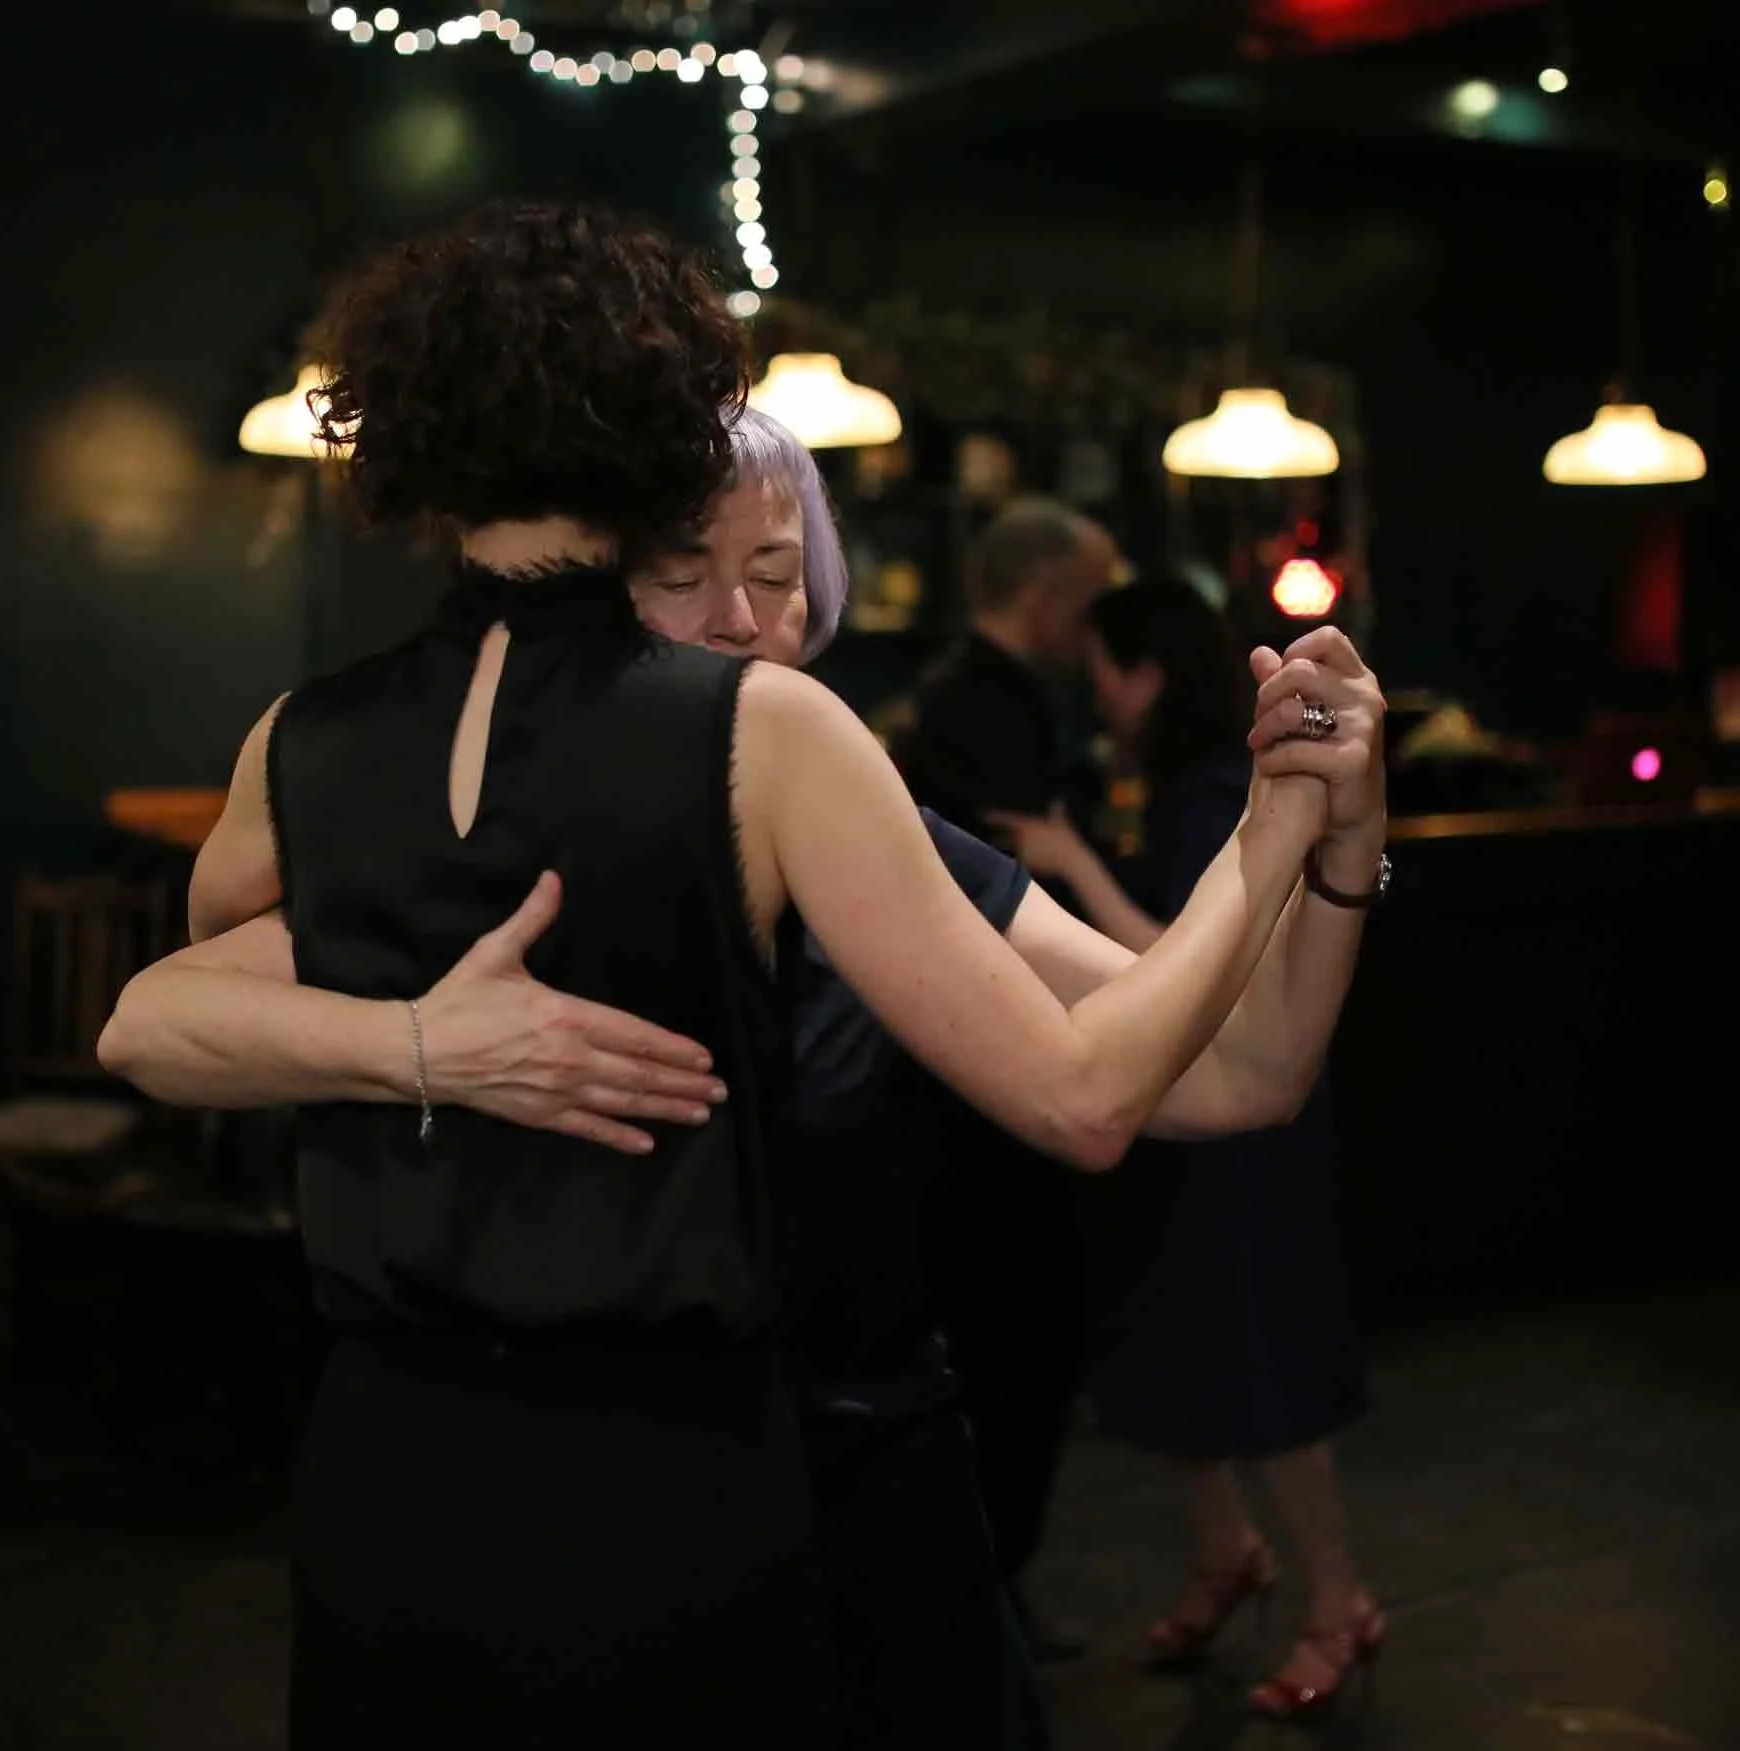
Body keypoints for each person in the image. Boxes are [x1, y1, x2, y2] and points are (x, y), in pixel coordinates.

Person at [102, 197, 1379, 1746]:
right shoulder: (754, 737)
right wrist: (1269, 829)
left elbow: (184, 988)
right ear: (653, 431)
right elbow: (1093, 1097)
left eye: (776, 570)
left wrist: (402, 1036)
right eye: (702, 563)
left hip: (395, 1474)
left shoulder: (305, 739)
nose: (747, 614)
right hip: (677, 1476)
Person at [987, 573, 1387, 1721]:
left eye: (1108, 669)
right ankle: (1228, 1558)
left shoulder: (1217, 785)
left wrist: (1070, 859)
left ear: (1146, 673)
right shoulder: (1181, 783)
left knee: (1261, 1368)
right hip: (1176, 1113)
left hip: (1242, 1133)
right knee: (1176, 1352)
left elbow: (1187, 967)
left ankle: (1338, 1599)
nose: (1099, 693)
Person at [884, 498, 1121, 1658]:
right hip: (995, 1082)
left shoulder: (956, 695)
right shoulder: (990, 707)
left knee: (1003, 1342)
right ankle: (981, 1596)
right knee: (1015, 1343)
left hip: (972, 1076)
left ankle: (978, 1591)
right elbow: (1026, 897)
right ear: (1049, 599)